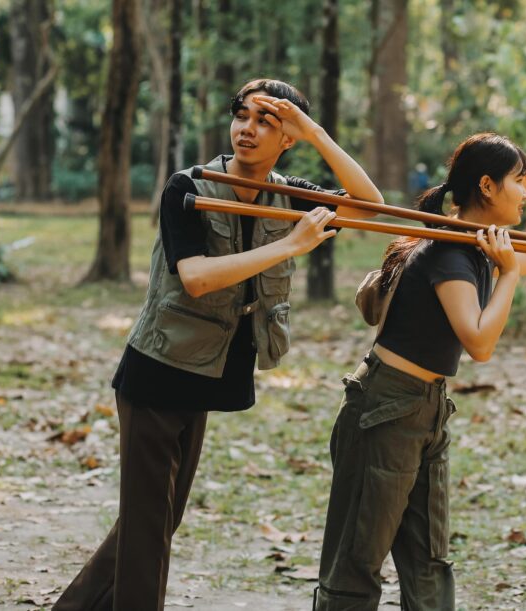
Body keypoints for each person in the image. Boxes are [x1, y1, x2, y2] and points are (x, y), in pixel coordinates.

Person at [53, 77, 382, 611]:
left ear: (287, 139)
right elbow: (197, 279)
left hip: (206, 375)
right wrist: (293, 245)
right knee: (147, 529)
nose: (246, 129)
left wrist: (315, 132)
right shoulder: (189, 186)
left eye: (265, 122)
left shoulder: (289, 194)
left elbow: (370, 206)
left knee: (155, 521)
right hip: (158, 372)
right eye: (241, 115)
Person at [315, 133, 526, 610]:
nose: (524, 192)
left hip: (426, 409)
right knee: (357, 562)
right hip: (385, 409)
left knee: (429, 562)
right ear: (487, 186)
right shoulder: (449, 250)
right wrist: (507, 274)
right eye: (518, 183)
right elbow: (480, 342)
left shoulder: (477, 243)